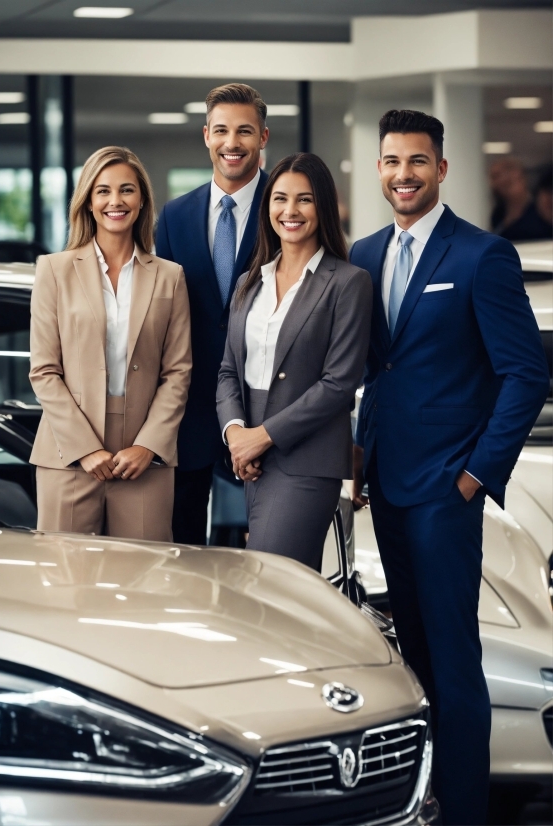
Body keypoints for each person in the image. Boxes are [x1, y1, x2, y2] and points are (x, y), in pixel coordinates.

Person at [349, 110, 549, 825]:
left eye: (417, 161)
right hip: (385, 488)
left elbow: (526, 373)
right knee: (419, 660)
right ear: (378, 170)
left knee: (457, 665)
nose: (403, 174)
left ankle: (465, 811)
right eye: (391, 161)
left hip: (444, 490)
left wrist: (475, 474)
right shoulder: (364, 254)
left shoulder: (481, 255)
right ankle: (421, 802)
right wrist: (357, 461)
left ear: (441, 167)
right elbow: (377, 371)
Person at [217, 153, 372, 570]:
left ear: (322, 206)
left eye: (304, 200)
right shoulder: (251, 282)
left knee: (269, 583)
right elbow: (229, 371)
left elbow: (339, 384)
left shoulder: (348, 282)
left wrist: (262, 435)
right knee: (281, 597)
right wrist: (236, 435)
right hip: (250, 462)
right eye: (280, 199)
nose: (290, 211)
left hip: (307, 462)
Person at [29, 146, 191, 540]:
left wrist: (148, 446)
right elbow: (44, 371)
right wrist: (85, 448)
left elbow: (178, 372)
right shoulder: (54, 270)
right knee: (67, 584)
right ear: (87, 201)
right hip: (68, 453)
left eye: (126, 190)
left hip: (144, 458)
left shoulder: (170, 276)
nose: (115, 201)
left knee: (143, 582)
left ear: (142, 201)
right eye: (103, 191)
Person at [156, 83, 269, 546]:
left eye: (245, 131)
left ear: (263, 137)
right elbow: (161, 315)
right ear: (206, 135)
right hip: (190, 414)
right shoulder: (175, 216)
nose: (232, 143)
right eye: (221, 130)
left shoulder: (285, 210)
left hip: (267, 414)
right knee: (182, 554)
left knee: (272, 561)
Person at [489, 156, 552, 241]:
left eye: (508, 171)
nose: (501, 179)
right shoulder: (498, 214)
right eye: (495, 176)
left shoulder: (542, 207)